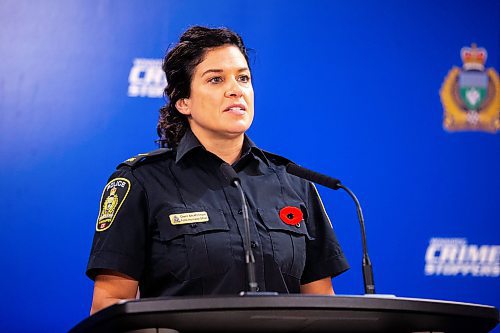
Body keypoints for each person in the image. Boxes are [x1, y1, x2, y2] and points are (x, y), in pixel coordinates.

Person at [87, 26, 349, 314]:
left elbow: (322, 304)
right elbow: (109, 306)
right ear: (183, 101)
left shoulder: (293, 182)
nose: (235, 89)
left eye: (243, 78)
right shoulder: (142, 181)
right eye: (215, 79)